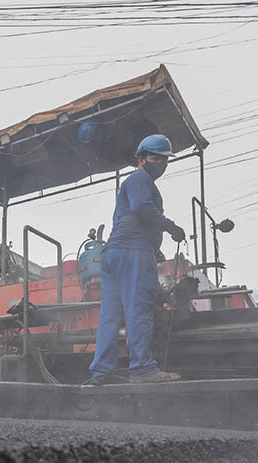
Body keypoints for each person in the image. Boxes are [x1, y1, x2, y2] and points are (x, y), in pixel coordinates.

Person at [87, 134, 187, 385]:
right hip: (133, 252)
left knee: (110, 315)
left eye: (165, 160)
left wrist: (154, 247)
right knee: (138, 310)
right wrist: (171, 227)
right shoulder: (141, 178)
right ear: (141, 159)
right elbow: (142, 208)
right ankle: (143, 368)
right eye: (155, 158)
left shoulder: (133, 181)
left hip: (114, 254)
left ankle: (102, 371)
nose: (161, 163)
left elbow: (129, 218)